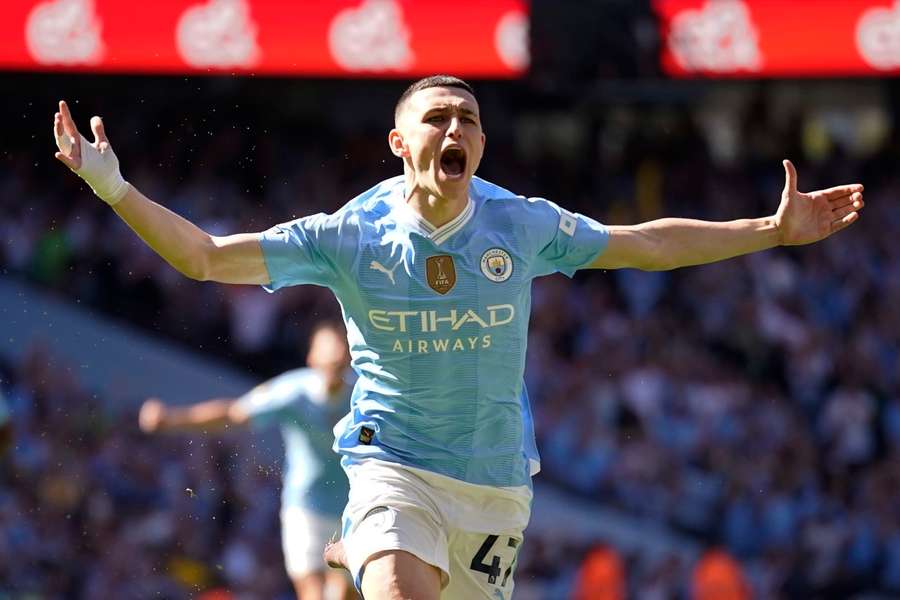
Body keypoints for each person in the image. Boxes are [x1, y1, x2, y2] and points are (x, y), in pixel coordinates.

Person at [52, 75, 865, 600]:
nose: (455, 128)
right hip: (391, 463)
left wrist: (771, 229)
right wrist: (112, 185)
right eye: (435, 117)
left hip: (494, 481)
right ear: (401, 144)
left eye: (468, 120)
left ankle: (361, 560)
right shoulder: (349, 235)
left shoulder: (520, 222)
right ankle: (372, 552)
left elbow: (647, 244)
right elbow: (202, 258)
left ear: (479, 145)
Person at [137, 321, 355, 600]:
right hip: (304, 508)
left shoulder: (362, 393)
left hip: (351, 508)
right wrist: (172, 419)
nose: (335, 354)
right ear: (312, 356)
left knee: (344, 593)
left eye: (341, 348)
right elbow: (234, 413)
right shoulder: (293, 391)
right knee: (311, 592)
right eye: (328, 347)